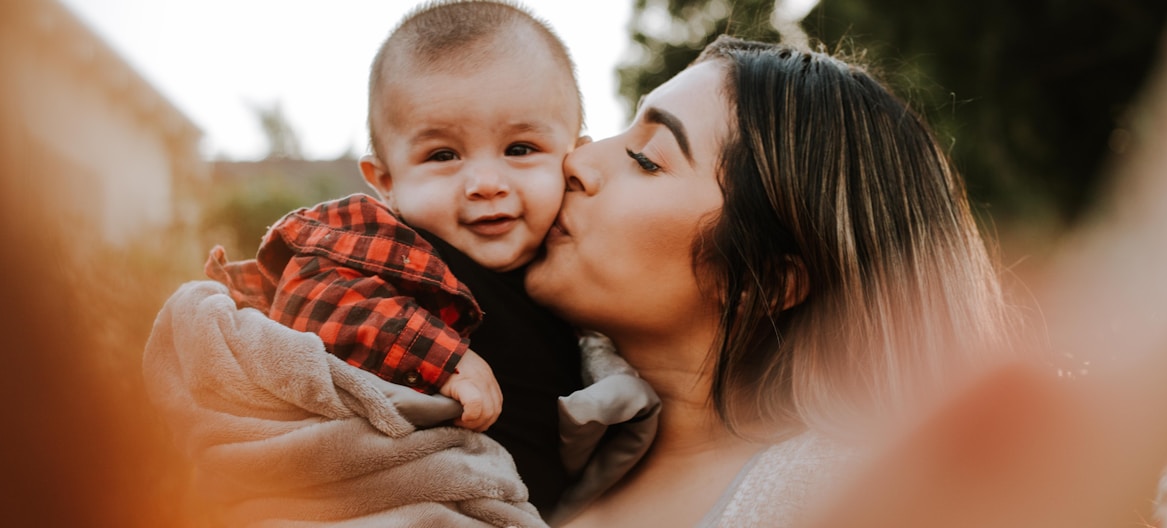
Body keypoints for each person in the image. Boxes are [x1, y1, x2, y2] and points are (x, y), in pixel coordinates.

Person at [523, 35, 1013, 526]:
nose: (577, 162)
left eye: (646, 158)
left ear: (765, 282)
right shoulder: (518, 421)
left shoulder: (854, 505)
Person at [202, 0, 585, 517]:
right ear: (386, 182)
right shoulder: (394, 243)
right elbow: (312, 293)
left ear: (576, 157)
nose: (486, 185)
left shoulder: (577, 267)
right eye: (443, 156)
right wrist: (442, 358)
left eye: (520, 149)